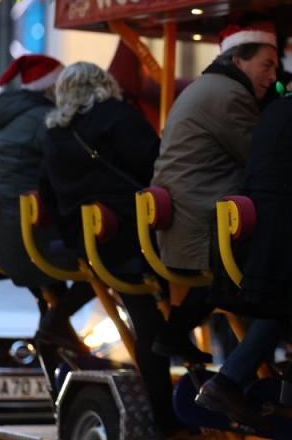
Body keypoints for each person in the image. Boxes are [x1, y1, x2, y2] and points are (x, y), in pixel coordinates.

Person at [195, 34, 292, 420]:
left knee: (289, 305)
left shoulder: (281, 109)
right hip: (289, 234)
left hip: (263, 238)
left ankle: (250, 380)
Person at [39, 62, 179, 435]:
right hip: (134, 236)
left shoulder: (55, 133)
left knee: (144, 322)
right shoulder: (117, 116)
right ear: (104, 83)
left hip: (86, 240)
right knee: (154, 324)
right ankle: (168, 414)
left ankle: (167, 411)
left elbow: (47, 192)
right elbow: (156, 164)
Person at [152, 22, 279, 361]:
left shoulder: (211, 86)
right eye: (266, 65)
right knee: (273, 265)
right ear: (239, 61)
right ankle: (253, 367)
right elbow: (259, 156)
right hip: (201, 216)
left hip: (189, 210)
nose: (273, 76)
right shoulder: (230, 95)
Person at [0, 55, 94, 348]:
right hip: (29, 235)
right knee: (108, 262)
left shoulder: (15, 118)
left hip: (3, 234)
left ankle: (54, 333)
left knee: (52, 300)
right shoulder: (44, 120)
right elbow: (72, 170)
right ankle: (54, 326)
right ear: (51, 87)